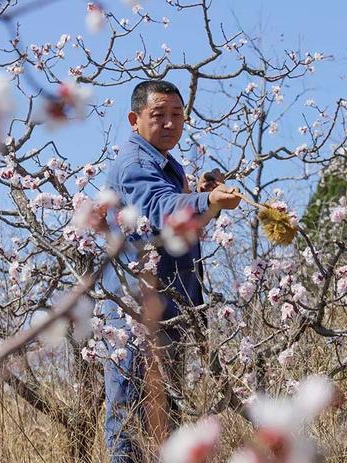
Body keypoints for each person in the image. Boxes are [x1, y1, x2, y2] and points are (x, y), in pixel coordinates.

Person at [99, 80, 241, 462]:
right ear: (135, 120)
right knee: (129, 418)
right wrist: (206, 199)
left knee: (166, 418)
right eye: (158, 115)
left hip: (167, 309)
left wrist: (202, 197)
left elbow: (174, 218)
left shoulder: (160, 161)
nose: (169, 124)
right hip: (135, 315)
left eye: (176, 115)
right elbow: (160, 210)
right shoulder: (134, 163)